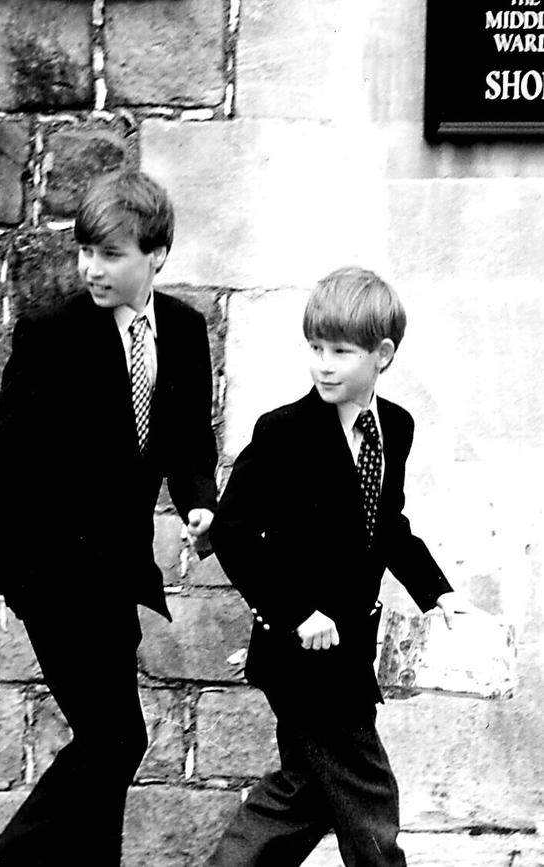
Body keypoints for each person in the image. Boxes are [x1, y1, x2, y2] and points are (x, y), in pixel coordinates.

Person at [0, 170, 217, 866]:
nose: (90, 268)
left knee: (110, 745)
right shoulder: (53, 332)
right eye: (83, 251)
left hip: (117, 574)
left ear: (156, 255)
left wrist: (198, 500)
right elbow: (4, 451)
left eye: (110, 254)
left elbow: (188, 436)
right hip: (53, 570)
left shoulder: (186, 329)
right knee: (117, 738)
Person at [207, 267, 458, 866]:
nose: (323, 364)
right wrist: (297, 612)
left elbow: (386, 525)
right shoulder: (283, 433)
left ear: (383, 355)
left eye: (341, 352)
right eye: (315, 348)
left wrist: (438, 594)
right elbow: (232, 534)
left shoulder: (394, 427)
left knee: (304, 795)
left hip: (349, 651)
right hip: (301, 655)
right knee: (369, 796)